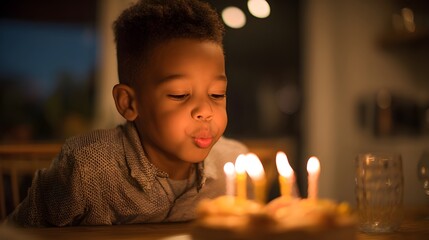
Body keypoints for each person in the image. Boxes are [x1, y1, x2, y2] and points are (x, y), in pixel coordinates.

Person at [6, 0, 247, 227]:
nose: (206, 111)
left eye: (217, 94)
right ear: (129, 103)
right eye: (179, 94)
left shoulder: (235, 166)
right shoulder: (86, 170)